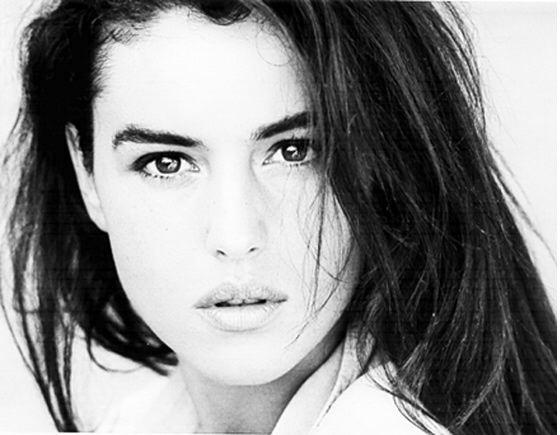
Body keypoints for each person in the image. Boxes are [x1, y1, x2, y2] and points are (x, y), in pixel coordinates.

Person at [1, 0, 556, 433]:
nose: (236, 234)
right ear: (86, 172)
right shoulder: (134, 423)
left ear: (382, 164)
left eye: (295, 151)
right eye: (165, 163)